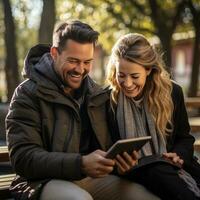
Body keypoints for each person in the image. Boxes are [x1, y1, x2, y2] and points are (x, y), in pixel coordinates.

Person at [6, 21, 160, 200]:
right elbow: (23, 158)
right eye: (73, 61)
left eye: (87, 62)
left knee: (144, 196)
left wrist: (119, 163)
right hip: (40, 182)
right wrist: (80, 164)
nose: (80, 69)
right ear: (55, 54)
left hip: (88, 178)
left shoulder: (96, 94)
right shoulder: (27, 94)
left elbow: (105, 147)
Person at [106, 33, 200, 200]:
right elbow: (104, 150)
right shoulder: (108, 101)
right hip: (136, 170)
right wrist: (119, 165)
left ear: (148, 70)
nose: (127, 83)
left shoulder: (172, 92)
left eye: (134, 76)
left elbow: (184, 138)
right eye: (121, 75)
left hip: (172, 165)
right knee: (157, 170)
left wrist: (177, 154)